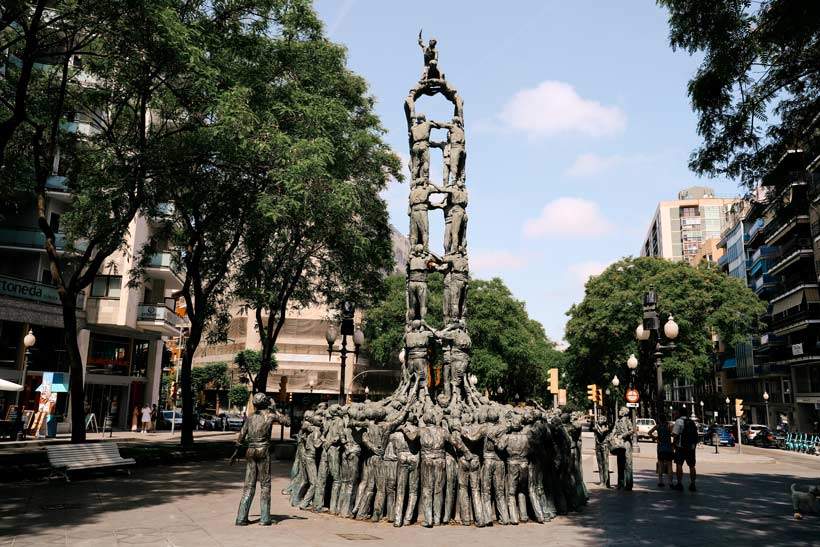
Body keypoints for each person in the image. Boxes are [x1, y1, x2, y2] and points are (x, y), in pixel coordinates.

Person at [671, 409, 698, 491]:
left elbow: (675, 434)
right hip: (691, 447)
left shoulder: (678, 421)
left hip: (680, 447)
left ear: (679, 413)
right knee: (692, 466)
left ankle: (679, 483)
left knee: (679, 465)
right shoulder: (691, 422)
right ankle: (693, 484)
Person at [649, 419, 674, 487]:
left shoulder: (658, 426)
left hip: (660, 448)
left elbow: (649, 433)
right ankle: (670, 482)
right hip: (669, 448)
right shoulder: (669, 426)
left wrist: (655, 438)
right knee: (669, 465)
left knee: (660, 464)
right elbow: (673, 434)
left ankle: (660, 481)